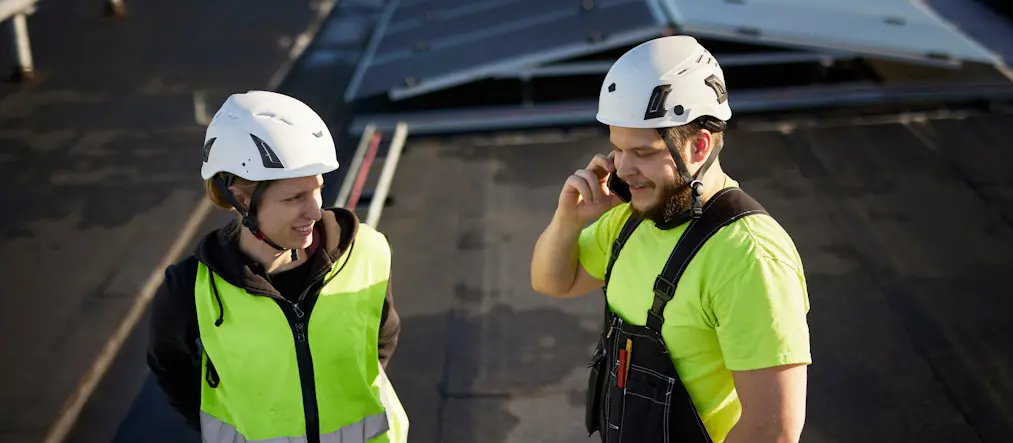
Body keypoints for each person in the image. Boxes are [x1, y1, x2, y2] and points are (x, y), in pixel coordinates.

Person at [530, 36, 810, 443]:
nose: (622, 169)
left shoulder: (749, 257)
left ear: (698, 146)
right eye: (617, 149)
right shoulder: (631, 219)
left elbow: (774, 429)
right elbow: (553, 281)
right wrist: (568, 220)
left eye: (642, 153)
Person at [146, 90, 409, 443]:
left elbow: (383, 339)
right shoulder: (190, 290)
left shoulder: (368, 251)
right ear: (240, 199)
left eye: (317, 189)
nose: (315, 211)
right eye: (293, 198)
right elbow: (170, 366)